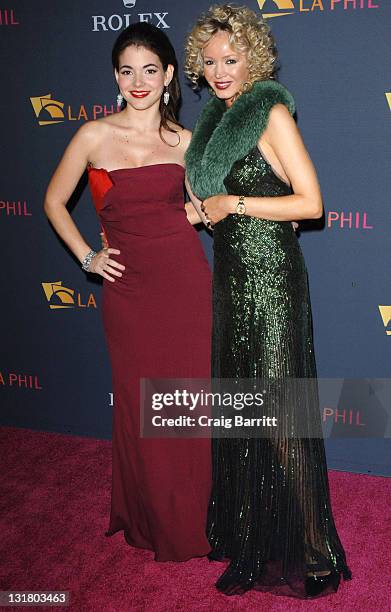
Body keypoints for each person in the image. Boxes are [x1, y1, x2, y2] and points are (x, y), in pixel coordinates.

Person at [184, 4, 352, 598]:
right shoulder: (211, 125)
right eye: (210, 62)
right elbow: (219, 196)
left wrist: (238, 205)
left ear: (254, 57)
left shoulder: (269, 112)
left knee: (281, 416)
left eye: (232, 59)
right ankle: (252, 542)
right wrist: (201, 207)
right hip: (231, 279)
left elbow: (311, 204)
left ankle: (313, 549)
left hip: (273, 279)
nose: (221, 70)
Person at [44, 22, 213, 562]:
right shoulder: (93, 135)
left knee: (188, 402)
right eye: (126, 70)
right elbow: (53, 202)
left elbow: (204, 207)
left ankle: (197, 515)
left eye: (149, 70)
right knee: (142, 403)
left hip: (184, 283)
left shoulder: (187, 143)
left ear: (168, 77)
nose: (138, 81)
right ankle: (151, 515)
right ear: (116, 78)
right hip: (128, 292)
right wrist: (88, 258)